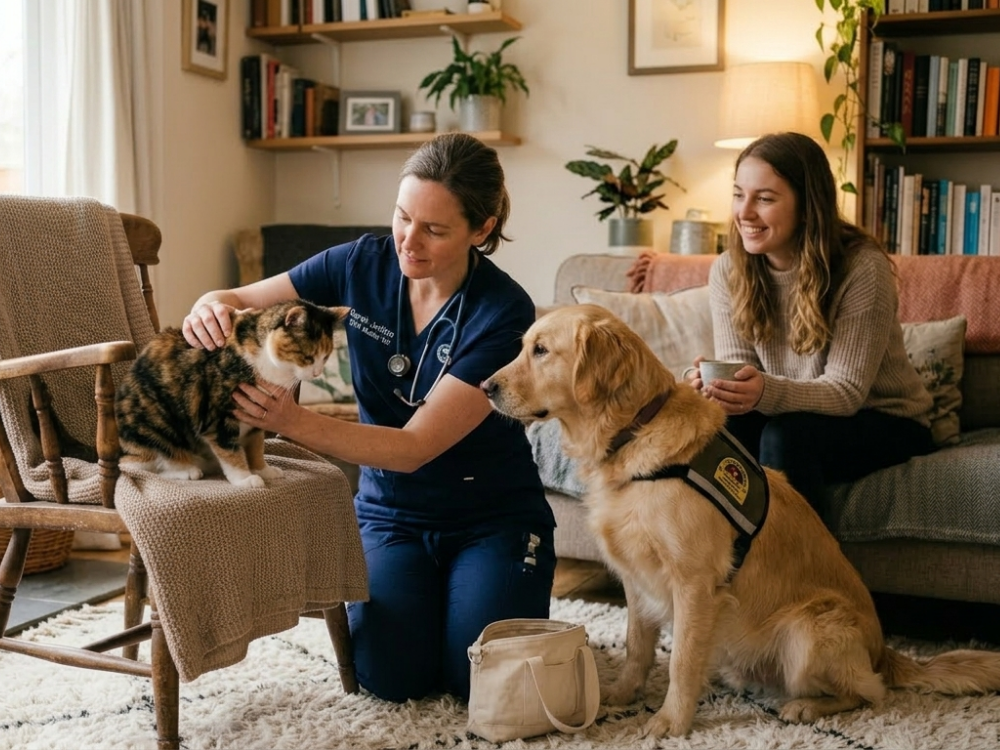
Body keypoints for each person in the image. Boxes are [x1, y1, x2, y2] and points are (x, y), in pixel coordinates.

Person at [182, 133, 556, 702]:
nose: (409, 240)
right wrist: (208, 305)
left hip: (491, 515)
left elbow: (413, 447)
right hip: (391, 514)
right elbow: (236, 298)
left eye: (435, 229)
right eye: (403, 217)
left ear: (481, 230)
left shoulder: (503, 312)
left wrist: (291, 421)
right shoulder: (360, 261)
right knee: (389, 679)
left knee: (477, 679)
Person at [685, 131, 937, 520]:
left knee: (787, 437)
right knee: (718, 432)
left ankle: (806, 573)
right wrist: (717, 387)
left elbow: (846, 392)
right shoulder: (729, 269)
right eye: (738, 194)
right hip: (788, 413)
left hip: (886, 419)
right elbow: (740, 371)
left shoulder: (861, 268)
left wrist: (762, 390)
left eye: (764, 198)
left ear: (807, 205)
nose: (744, 213)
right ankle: (718, 570)